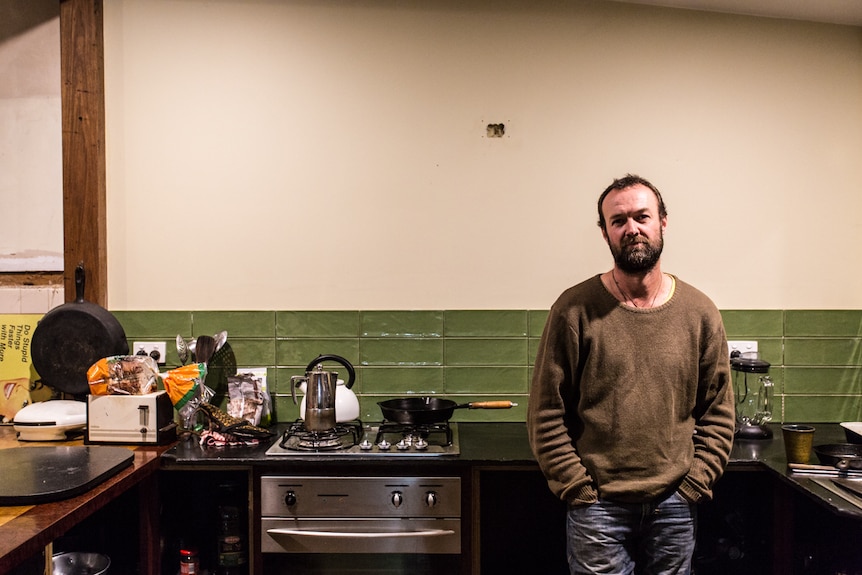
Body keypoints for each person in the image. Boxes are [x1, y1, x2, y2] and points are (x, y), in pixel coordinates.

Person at [527, 174, 735, 575]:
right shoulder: (574, 310)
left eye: (642, 216)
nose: (632, 228)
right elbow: (545, 413)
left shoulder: (699, 311)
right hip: (598, 507)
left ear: (663, 222)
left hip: (675, 502)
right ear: (604, 232)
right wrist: (578, 489)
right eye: (618, 220)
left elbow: (719, 410)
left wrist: (694, 484)